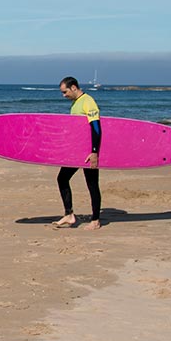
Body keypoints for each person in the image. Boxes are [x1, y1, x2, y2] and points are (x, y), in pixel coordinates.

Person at [55, 76, 102, 230]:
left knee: (92, 184)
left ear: (74, 87)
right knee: (62, 178)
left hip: (89, 152)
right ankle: (69, 214)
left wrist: (94, 152)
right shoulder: (75, 104)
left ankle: (95, 220)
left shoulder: (88, 101)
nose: (64, 95)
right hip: (77, 152)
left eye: (65, 92)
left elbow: (96, 128)